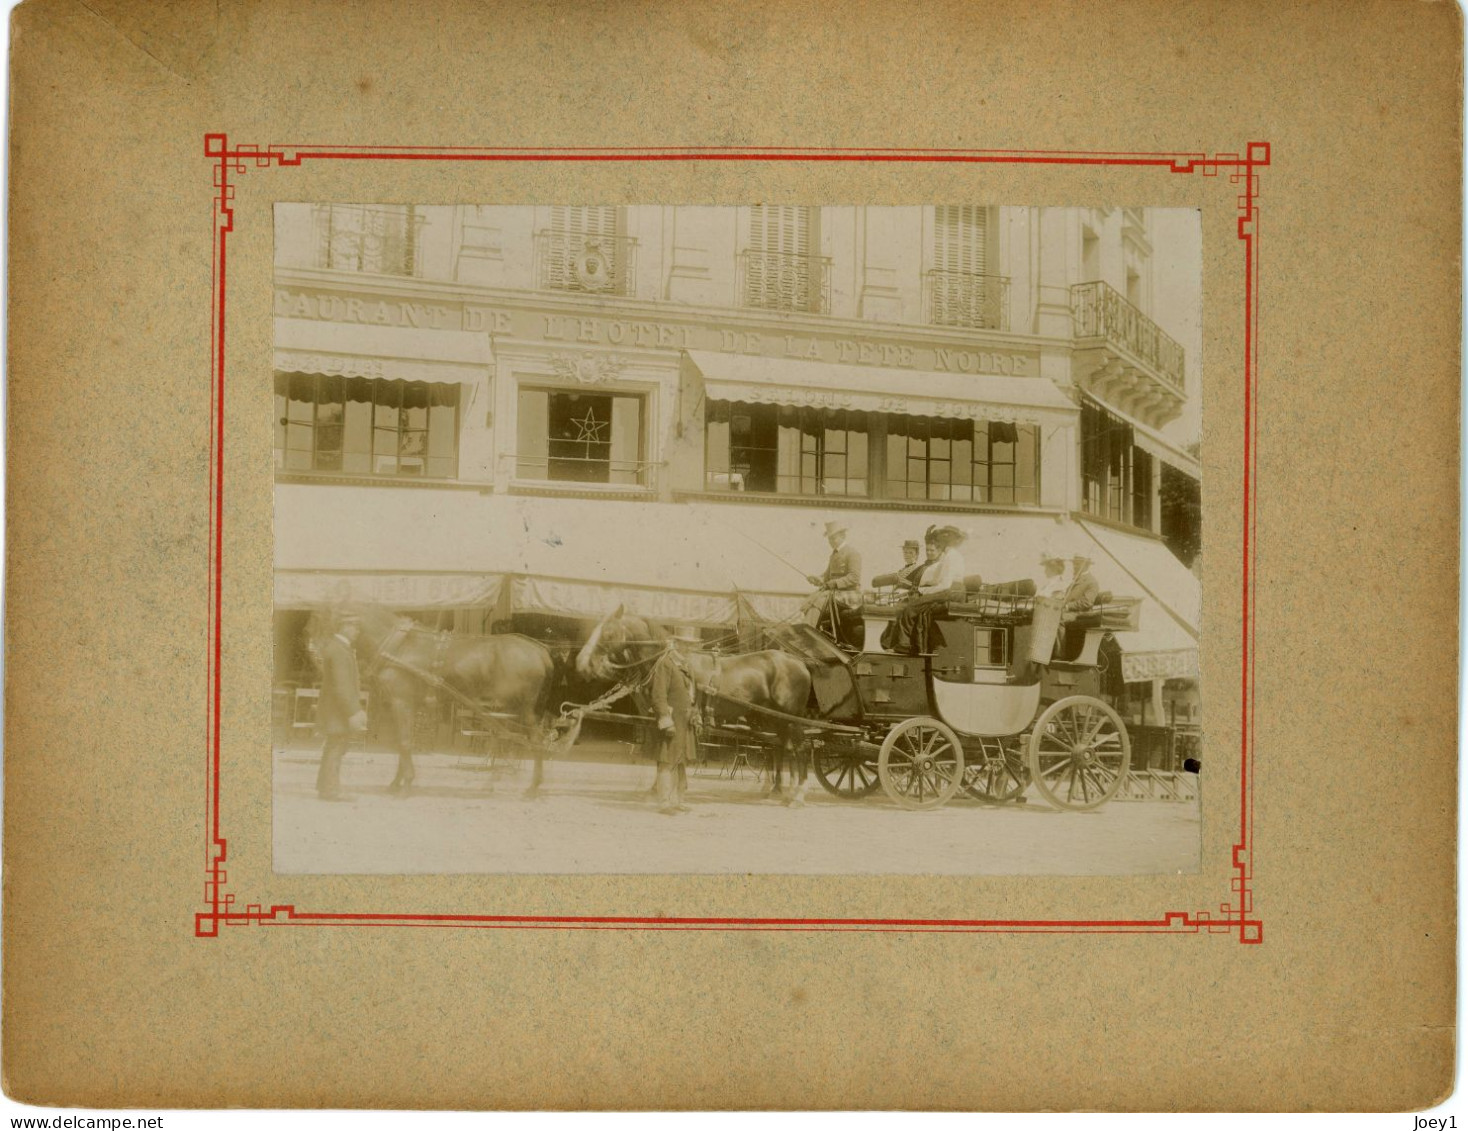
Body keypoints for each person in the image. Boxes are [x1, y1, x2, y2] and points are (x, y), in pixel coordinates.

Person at [882, 526, 967, 655]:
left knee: (911, 607)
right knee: (916, 603)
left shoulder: (951, 557)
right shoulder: (949, 555)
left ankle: (904, 645)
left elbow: (945, 585)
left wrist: (922, 592)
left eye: (942, 539)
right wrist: (918, 589)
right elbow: (937, 579)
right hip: (951, 591)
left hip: (952, 592)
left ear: (949, 541)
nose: (939, 542)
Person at [315, 610, 368, 802]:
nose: (357, 631)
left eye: (358, 627)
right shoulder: (338, 650)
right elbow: (342, 685)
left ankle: (324, 786)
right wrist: (354, 711)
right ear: (344, 627)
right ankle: (330, 790)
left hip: (335, 709)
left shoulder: (339, 648)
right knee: (336, 747)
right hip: (337, 710)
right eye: (354, 627)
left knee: (334, 747)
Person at [649, 644, 696, 815]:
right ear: (676, 645)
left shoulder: (687, 666)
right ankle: (664, 803)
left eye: (692, 646)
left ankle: (678, 800)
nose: (689, 649)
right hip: (672, 722)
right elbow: (658, 696)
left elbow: (692, 697)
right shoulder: (665, 664)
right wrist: (665, 719)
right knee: (667, 760)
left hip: (685, 723)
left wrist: (695, 712)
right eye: (686, 645)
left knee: (681, 761)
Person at [801, 519, 864, 648]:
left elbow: (854, 577)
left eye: (834, 539)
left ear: (843, 536)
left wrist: (832, 584)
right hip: (835, 592)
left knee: (818, 602)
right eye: (830, 539)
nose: (831, 542)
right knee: (809, 601)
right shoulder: (833, 555)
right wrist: (817, 579)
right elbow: (827, 576)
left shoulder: (852, 553)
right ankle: (810, 632)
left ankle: (807, 635)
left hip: (849, 594)